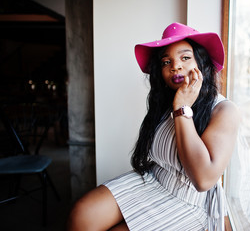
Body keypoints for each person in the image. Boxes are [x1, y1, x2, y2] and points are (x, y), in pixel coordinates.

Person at [67, 22, 240, 231]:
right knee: (81, 215)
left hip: (187, 201)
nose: (175, 66)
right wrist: (177, 104)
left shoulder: (223, 110)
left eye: (185, 58)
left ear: (201, 63)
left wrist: (182, 109)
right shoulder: (166, 102)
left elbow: (203, 180)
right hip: (154, 179)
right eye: (166, 61)